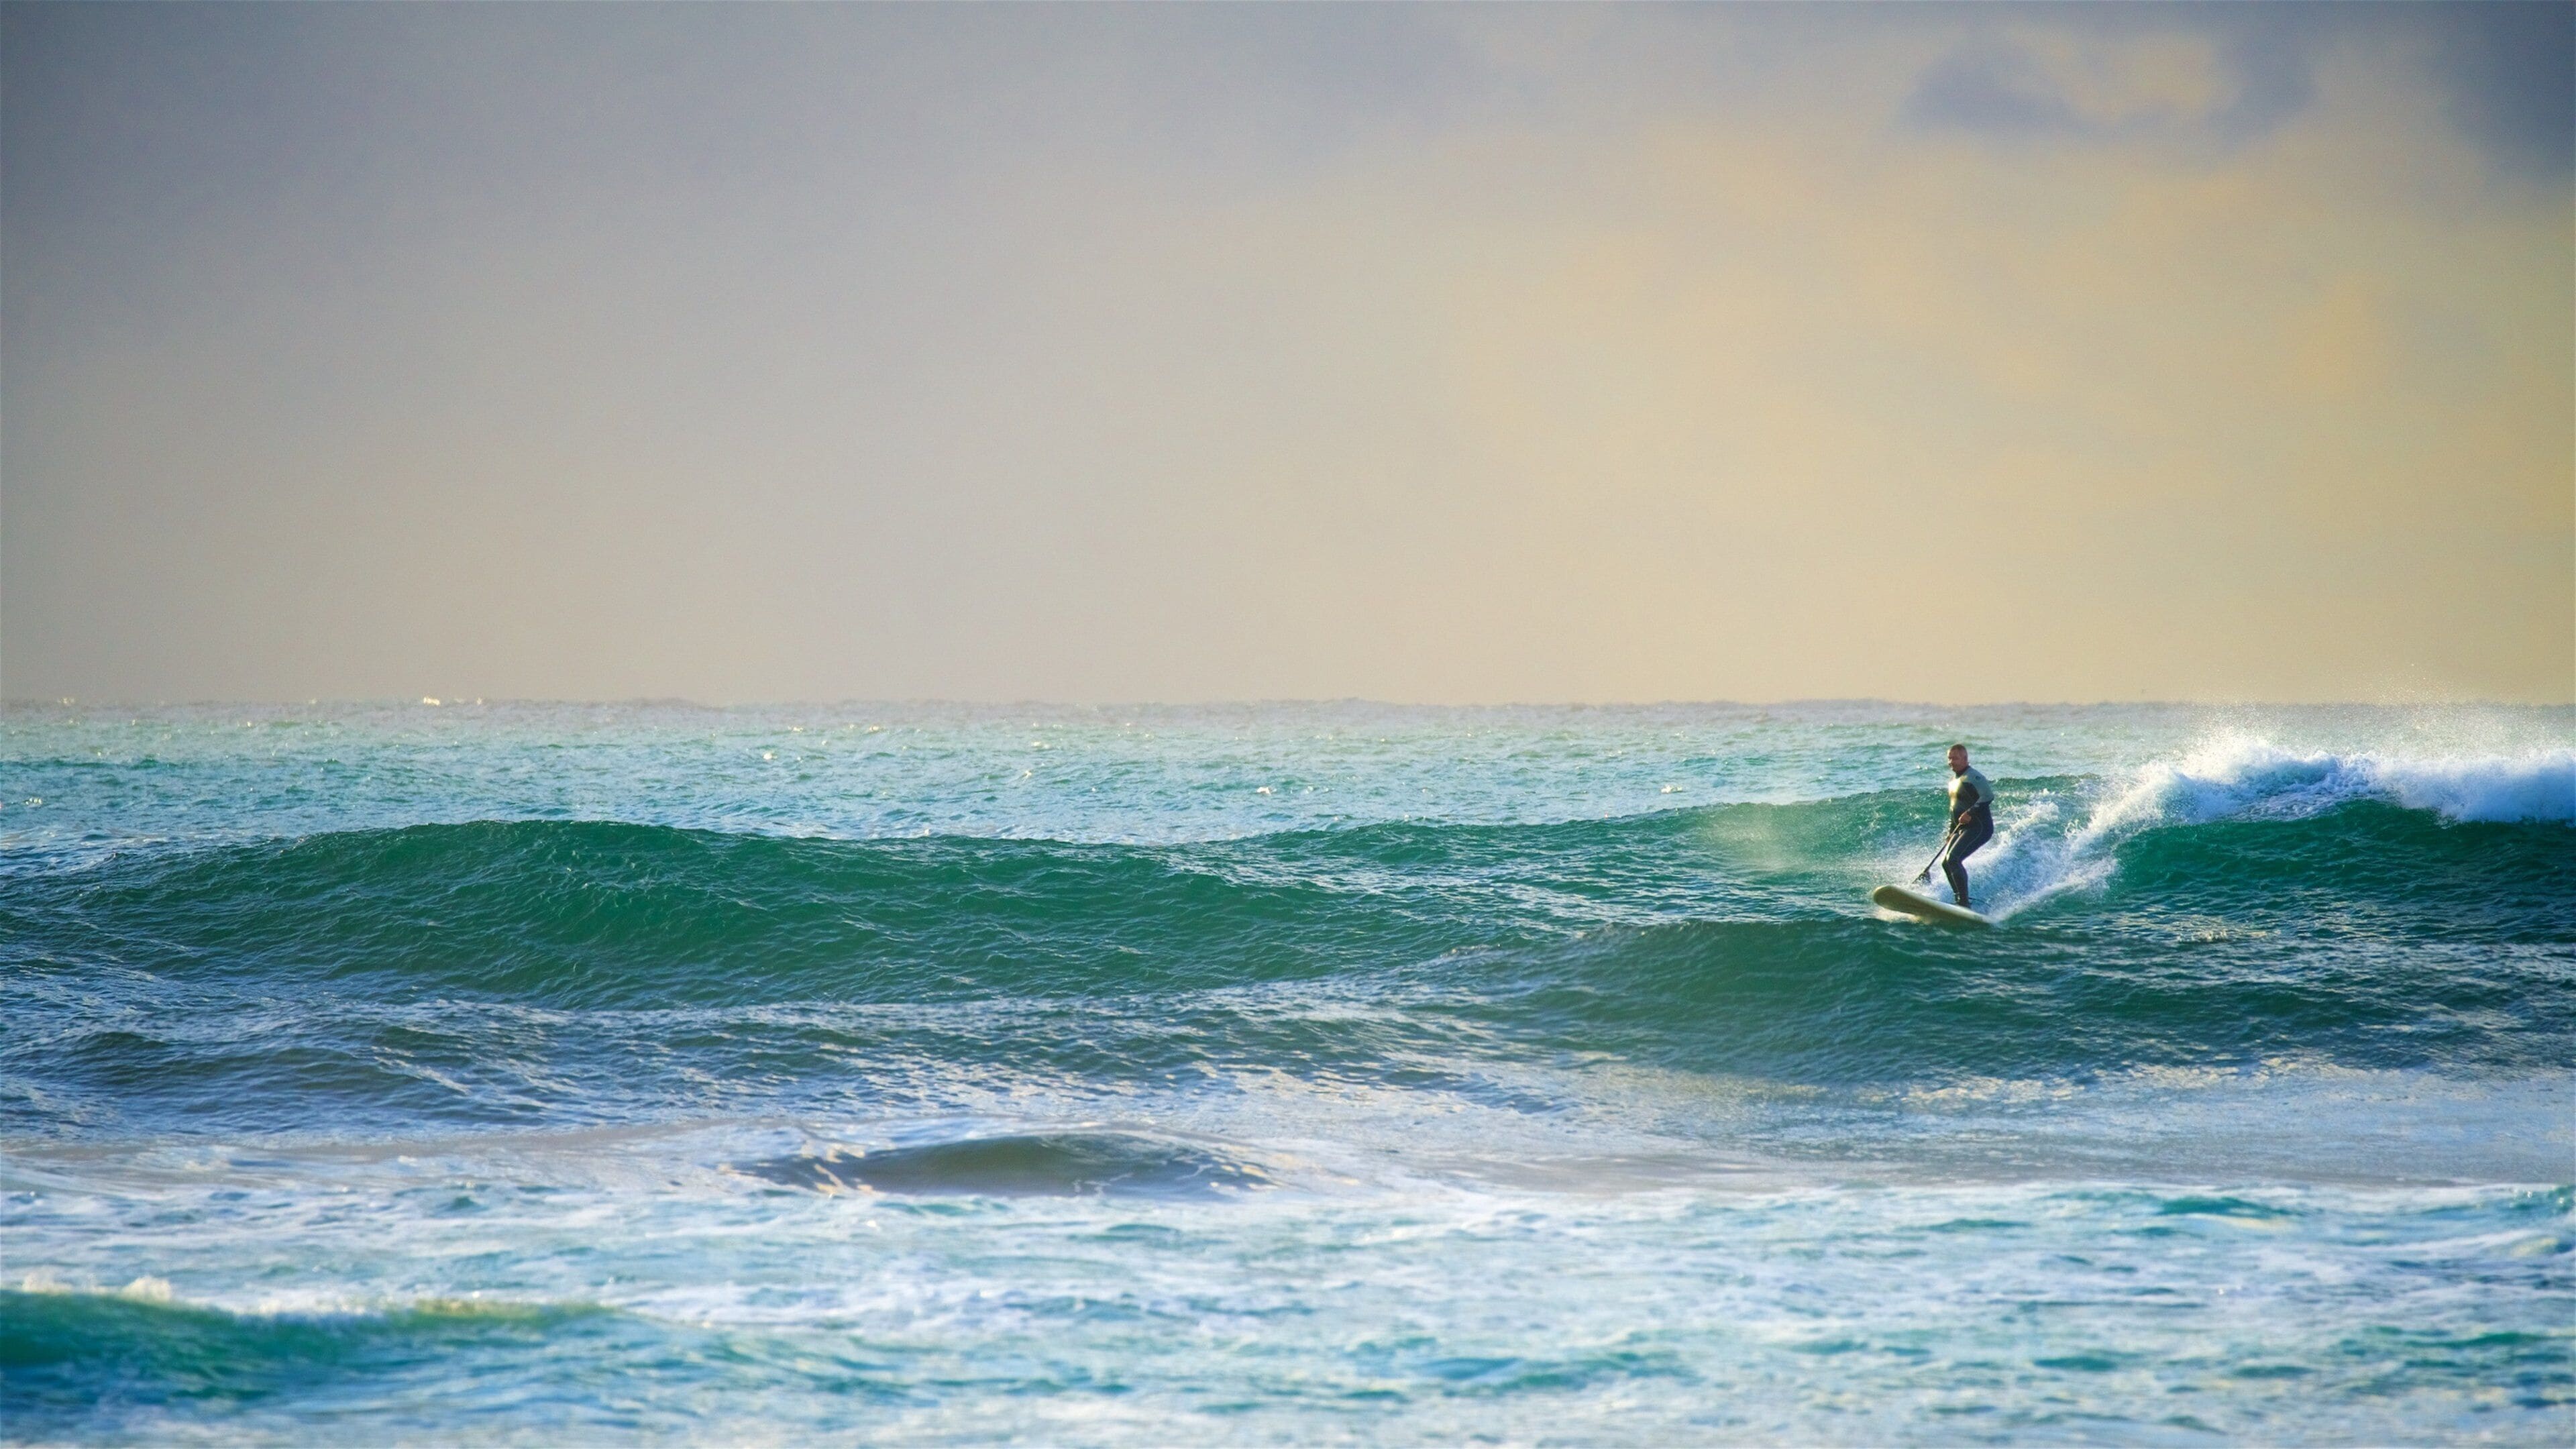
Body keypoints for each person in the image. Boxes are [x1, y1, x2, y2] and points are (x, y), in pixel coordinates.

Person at [1927, 743, 1994, 908]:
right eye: (1949, 758)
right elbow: (1954, 810)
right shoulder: (1953, 781)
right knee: (1946, 863)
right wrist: (1951, 832)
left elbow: (1988, 796)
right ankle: (1960, 899)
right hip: (1962, 828)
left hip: (1980, 827)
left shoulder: (1973, 777)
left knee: (1954, 859)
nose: (1951, 762)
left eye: (1955, 758)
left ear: (1965, 758)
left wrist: (1970, 812)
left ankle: (1963, 902)